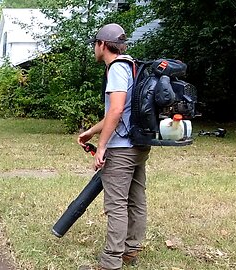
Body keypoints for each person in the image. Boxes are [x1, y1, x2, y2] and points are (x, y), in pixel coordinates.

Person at [78, 23, 151, 269]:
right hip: (139, 145)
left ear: (102, 45)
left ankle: (111, 260)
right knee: (136, 199)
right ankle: (131, 250)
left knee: (117, 204)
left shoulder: (117, 68)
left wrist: (101, 147)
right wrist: (91, 131)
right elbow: (117, 111)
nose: (94, 49)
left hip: (122, 148)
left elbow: (117, 109)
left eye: (94, 45)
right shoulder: (132, 66)